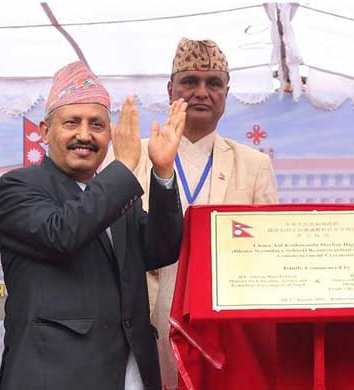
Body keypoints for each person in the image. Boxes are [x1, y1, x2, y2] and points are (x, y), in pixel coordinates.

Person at [0, 61, 187, 389]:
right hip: (54, 377)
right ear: (44, 131)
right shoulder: (17, 187)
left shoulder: (117, 194)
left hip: (131, 374)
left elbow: (161, 249)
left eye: (97, 124)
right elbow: (62, 233)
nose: (84, 135)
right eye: (72, 122)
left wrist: (163, 172)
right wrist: (124, 164)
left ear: (109, 136)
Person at [110, 38, 278, 388]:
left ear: (226, 93)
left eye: (213, 83)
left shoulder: (253, 165)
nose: (202, 92)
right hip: (143, 323)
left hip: (222, 333)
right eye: (190, 82)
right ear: (171, 89)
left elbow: (267, 256)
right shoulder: (129, 156)